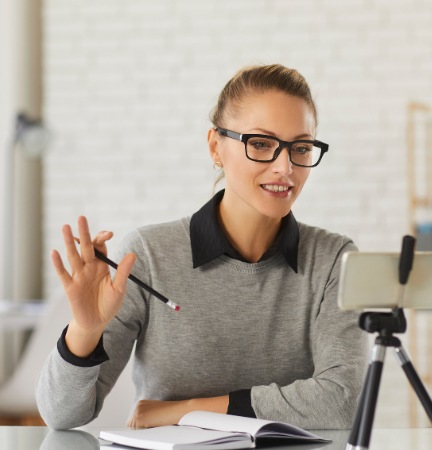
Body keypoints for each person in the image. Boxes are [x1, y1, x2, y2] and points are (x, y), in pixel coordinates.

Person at [36, 64, 367, 431]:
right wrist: (84, 330)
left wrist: (189, 411)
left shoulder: (334, 259)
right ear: (215, 146)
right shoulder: (148, 254)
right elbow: (62, 415)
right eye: (261, 144)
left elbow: (344, 400)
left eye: (301, 148)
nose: (285, 167)